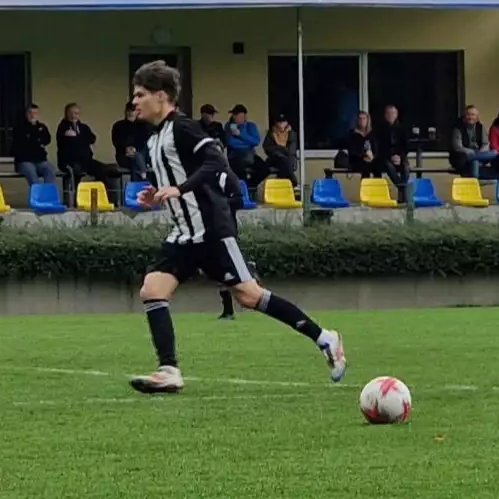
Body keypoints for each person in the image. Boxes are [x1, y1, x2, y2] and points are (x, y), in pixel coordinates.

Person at [126, 60, 346, 395]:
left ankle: (324, 338)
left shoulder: (183, 128)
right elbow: (181, 178)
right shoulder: (155, 138)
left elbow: (216, 161)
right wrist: (157, 195)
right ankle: (169, 370)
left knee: (250, 295)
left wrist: (181, 189)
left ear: (161, 96)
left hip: (212, 231)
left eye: (140, 94)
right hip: (185, 233)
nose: (135, 101)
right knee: (152, 290)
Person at [13, 104, 56, 186]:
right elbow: (22, 143)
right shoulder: (19, 127)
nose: (33, 115)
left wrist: (35, 141)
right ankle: (38, 197)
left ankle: (47, 194)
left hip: (40, 160)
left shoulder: (42, 127)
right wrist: (37, 141)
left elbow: (47, 140)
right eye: (30, 113)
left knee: (50, 169)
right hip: (24, 161)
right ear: (26, 114)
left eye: (35, 113)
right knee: (34, 178)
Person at [449, 106, 497, 179]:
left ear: (477, 117)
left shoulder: (481, 126)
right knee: (474, 162)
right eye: (468, 114)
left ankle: (475, 163)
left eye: (473, 115)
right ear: (464, 116)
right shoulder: (458, 128)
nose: (470, 117)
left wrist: (479, 153)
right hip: (463, 155)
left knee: (494, 152)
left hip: (479, 153)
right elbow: (457, 147)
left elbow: (486, 143)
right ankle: (476, 181)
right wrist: (471, 152)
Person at [111, 102, 150, 179]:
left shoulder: (143, 126)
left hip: (140, 154)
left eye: (133, 111)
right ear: (125, 111)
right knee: (135, 161)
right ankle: (142, 179)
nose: (131, 113)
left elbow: (145, 141)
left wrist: (135, 149)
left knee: (137, 159)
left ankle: (137, 185)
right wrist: (126, 149)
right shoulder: (118, 125)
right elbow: (116, 142)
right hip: (123, 155)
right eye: (129, 111)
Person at [262, 115, 298, 184]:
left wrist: (279, 149)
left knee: (285, 164)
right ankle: (292, 180)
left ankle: (288, 182)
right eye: (279, 122)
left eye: (283, 122)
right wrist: (281, 148)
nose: (281, 124)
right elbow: (266, 147)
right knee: (264, 166)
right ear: (276, 123)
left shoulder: (292, 134)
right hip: (274, 159)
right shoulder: (272, 133)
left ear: (287, 122)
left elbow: (291, 151)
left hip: (288, 160)